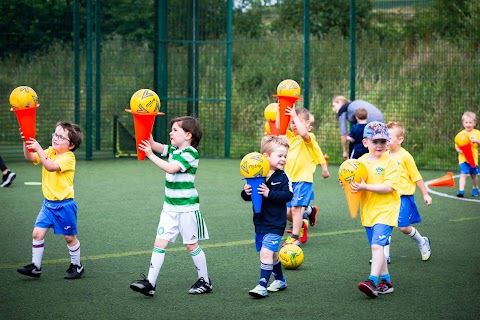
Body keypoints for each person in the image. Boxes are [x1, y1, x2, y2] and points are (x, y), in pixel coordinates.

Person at [130, 116, 212, 297]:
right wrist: (144, 124)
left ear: (188, 135)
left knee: (191, 245)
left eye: (175, 130)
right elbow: (153, 143)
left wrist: (150, 155)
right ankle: (150, 283)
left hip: (187, 209)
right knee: (159, 243)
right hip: (169, 208)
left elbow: (171, 168)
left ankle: (205, 281)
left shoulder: (190, 153)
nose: (170, 132)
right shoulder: (174, 149)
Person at [17, 122, 84, 279]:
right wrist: (26, 141)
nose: (56, 139)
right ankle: (36, 267)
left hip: (64, 206)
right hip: (48, 205)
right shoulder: (50, 151)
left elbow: (50, 166)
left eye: (61, 137)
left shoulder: (69, 158)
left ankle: (77, 265)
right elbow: (30, 157)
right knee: (37, 234)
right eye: (55, 134)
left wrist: (39, 148)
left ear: (72, 145)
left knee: (69, 237)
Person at [349, 121, 400, 298]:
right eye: (375, 141)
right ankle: (386, 282)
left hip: (386, 211)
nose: (379, 145)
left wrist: (365, 187)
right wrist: (348, 184)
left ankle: (372, 281)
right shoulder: (360, 162)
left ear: (388, 143)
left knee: (378, 247)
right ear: (365, 143)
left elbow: (388, 187)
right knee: (376, 247)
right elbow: (354, 184)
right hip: (368, 212)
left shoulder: (391, 163)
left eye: (383, 142)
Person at [241, 135, 293, 298]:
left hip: (276, 224)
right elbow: (247, 196)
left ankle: (262, 285)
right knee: (272, 254)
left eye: (285, 156)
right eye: (279, 155)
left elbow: (288, 195)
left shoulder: (283, 177)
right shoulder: (255, 174)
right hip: (260, 223)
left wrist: (270, 193)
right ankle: (280, 280)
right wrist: (246, 192)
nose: (283, 159)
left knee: (265, 253)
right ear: (266, 157)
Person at [282, 107, 330, 246]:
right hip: (289, 181)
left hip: (303, 179)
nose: (294, 124)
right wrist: (281, 107)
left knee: (296, 209)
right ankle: (304, 221)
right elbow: (279, 126)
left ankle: (295, 238)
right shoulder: (290, 137)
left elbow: (304, 134)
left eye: (298, 121)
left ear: (308, 125)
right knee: (286, 211)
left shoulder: (309, 137)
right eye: (292, 122)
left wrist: (324, 167)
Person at [386, 121, 432, 262]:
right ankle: (384, 256)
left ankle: (422, 241)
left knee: (404, 227)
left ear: (400, 139)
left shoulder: (406, 156)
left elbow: (416, 177)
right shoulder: (383, 155)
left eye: (389, 137)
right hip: (387, 196)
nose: (386, 140)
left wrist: (425, 194)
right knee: (385, 225)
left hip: (403, 197)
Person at [331, 96, 384, 160]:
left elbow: (343, 132)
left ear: (339, 102)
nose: (333, 109)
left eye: (334, 106)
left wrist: (345, 151)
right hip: (380, 119)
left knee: (357, 140)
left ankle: (352, 162)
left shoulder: (342, 109)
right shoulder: (352, 106)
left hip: (371, 120)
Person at [455, 111, 480, 197]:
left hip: (473, 159)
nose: (468, 124)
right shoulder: (460, 135)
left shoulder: (477, 133)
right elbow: (457, 146)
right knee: (463, 174)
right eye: (466, 122)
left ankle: (475, 188)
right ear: (463, 123)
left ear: (474, 123)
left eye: (470, 122)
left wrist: (476, 141)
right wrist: (460, 150)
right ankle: (461, 191)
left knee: (474, 175)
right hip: (463, 159)